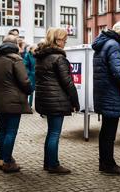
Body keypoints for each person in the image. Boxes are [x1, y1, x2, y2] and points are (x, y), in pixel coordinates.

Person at [92, 21, 120, 175]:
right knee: (109, 133)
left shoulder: (102, 43)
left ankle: (105, 162)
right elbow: (118, 71)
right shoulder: (114, 45)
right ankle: (108, 164)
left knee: (105, 131)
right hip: (112, 94)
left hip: (103, 93)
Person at [35, 28, 80, 174]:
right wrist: (75, 102)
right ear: (57, 40)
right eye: (64, 39)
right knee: (54, 133)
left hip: (45, 99)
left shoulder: (41, 56)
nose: (65, 42)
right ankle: (53, 164)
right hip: (56, 100)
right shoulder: (59, 58)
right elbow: (68, 83)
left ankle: (48, 163)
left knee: (51, 133)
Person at [0, 35, 32, 173]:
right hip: (13, 101)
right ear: (15, 45)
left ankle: (2, 159)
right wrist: (30, 90)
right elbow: (25, 81)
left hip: (0, 100)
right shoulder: (16, 60)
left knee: (3, 130)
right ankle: (7, 162)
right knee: (11, 132)